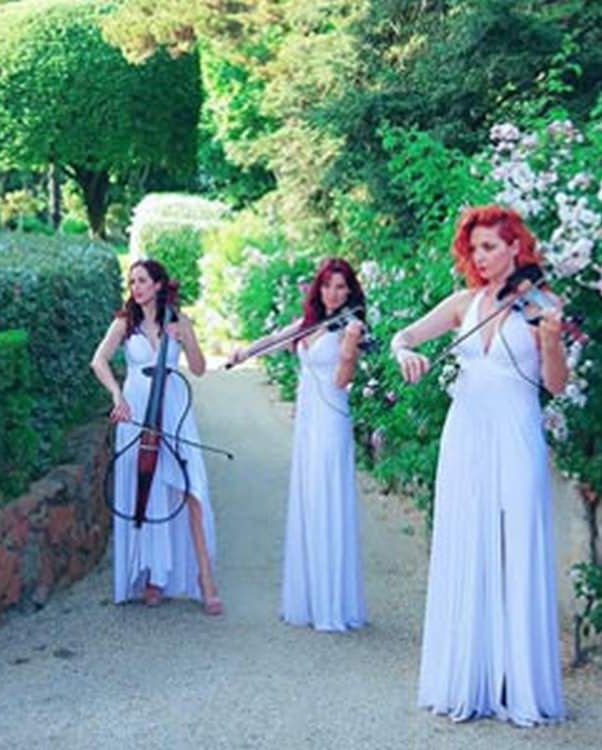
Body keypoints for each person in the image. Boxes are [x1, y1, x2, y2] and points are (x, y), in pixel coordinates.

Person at [391, 205, 569, 726]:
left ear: (516, 247)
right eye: (475, 248)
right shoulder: (465, 303)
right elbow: (405, 336)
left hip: (515, 433)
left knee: (517, 545)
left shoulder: (542, 305)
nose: (481, 256)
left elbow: (556, 386)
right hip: (465, 433)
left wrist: (553, 341)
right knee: (467, 543)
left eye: (491, 246)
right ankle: (466, 676)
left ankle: (519, 685)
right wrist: (406, 355)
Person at [230, 257, 367, 631]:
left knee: (326, 500)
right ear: (318, 288)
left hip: (330, 418)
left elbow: (342, 380)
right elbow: (277, 339)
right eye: (327, 286)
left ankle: (331, 603)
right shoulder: (311, 323)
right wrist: (245, 353)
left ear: (350, 291)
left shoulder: (350, 327)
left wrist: (349, 348)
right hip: (307, 421)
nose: (333, 294)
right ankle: (308, 598)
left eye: (341, 287)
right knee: (308, 498)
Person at [90, 259, 222, 615]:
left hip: (174, 410)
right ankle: (151, 577)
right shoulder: (124, 322)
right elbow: (98, 361)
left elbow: (197, 368)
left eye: (143, 280)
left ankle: (205, 581)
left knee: (191, 489)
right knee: (144, 493)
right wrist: (117, 396)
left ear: (159, 285)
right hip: (136, 410)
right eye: (132, 281)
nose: (136, 287)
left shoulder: (178, 320)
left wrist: (187, 340)